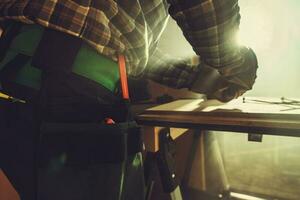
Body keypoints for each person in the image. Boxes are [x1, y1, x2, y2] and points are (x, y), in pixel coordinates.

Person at [0, 0, 258, 200]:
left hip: (10, 68)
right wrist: (238, 66)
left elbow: (120, 44)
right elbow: (210, 11)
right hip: (71, 98)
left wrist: (197, 79)